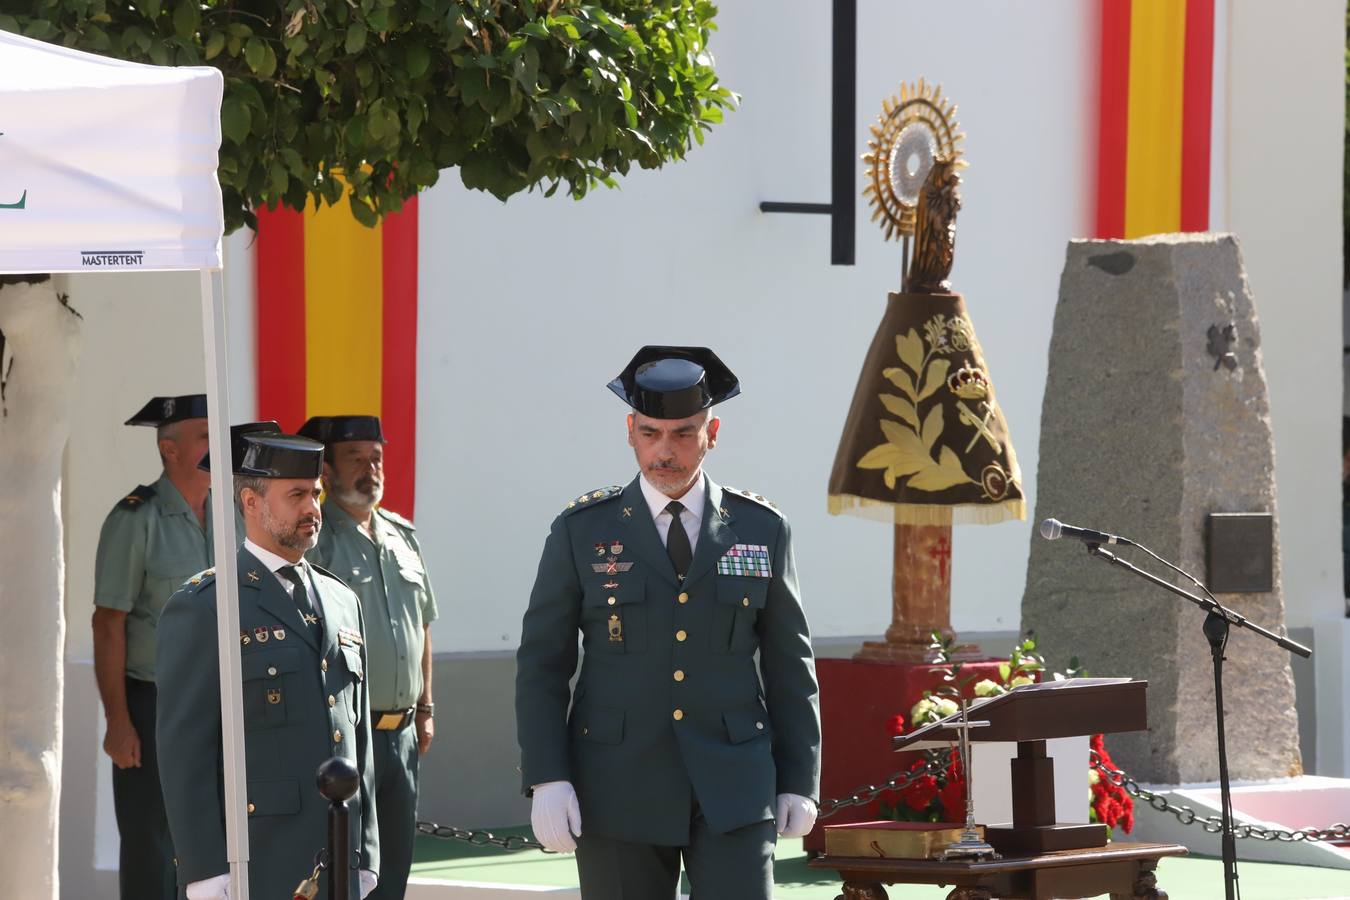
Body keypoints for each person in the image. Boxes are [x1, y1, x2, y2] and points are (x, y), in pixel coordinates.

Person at [515, 346, 822, 900]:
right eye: (651, 432)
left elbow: (789, 662)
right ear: (630, 430)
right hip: (617, 783)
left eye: (683, 433)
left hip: (734, 782)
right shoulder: (581, 530)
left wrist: (800, 777)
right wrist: (547, 775)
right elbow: (542, 661)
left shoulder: (762, 528)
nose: (665, 451)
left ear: (713, 432)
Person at [156, 429, 380, 900]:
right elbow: (185, 751)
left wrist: (366, 851)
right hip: (256, 861)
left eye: (315, 493)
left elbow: (357, 739)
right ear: (251, 502)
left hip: (337, 855)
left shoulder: (341, 600)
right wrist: (203, 869)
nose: (313, 509)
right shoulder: (208, 605)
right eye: (296, 495)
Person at [301, 414, 438, 900]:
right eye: (355, 458)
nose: (370, 468)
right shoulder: (317, 541)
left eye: (375, 457)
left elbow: (421, 626)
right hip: (345, 736)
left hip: (402, 735)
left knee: (394, 868)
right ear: (328, 471)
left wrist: (425, 710)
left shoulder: (403, 535)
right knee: (346, 867)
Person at [92, 393, 212, 900]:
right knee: (151, 847)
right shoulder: (135, 519)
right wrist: (118, 721)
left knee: (214, 844)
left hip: (221, 704)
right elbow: (108, 624)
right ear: (170, 449)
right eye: (205, 437)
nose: (217, 447)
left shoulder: (234, 513)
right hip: (155, 705)